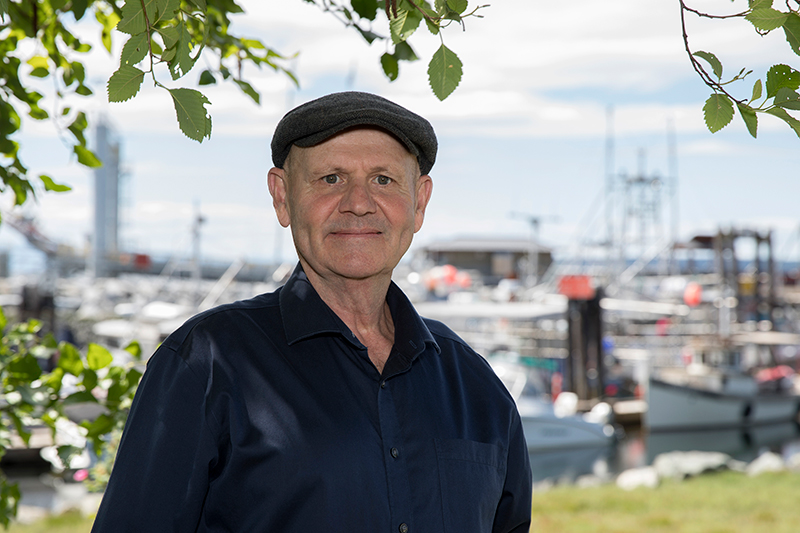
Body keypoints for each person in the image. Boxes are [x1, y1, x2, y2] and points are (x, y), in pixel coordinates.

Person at [92, 91, 532, 532]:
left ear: (419, 203)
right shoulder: (207, 364)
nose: (358, 203)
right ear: (282, 197)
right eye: (330, 179)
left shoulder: (475, 384)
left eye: (383, 180)